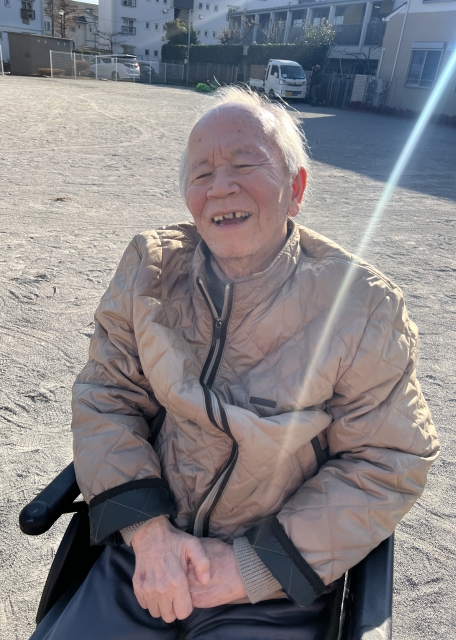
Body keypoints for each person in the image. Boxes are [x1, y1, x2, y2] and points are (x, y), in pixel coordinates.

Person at [30, 87, 439, 640]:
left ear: (295, 189)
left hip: (273, 583)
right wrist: (149, 534)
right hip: (144, 558)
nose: (220, 187)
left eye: (245, 165)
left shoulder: (362, 306)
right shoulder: (150, 272)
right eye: (201, 173)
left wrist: (249, 567)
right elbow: (107, 397)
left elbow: (390, 457)